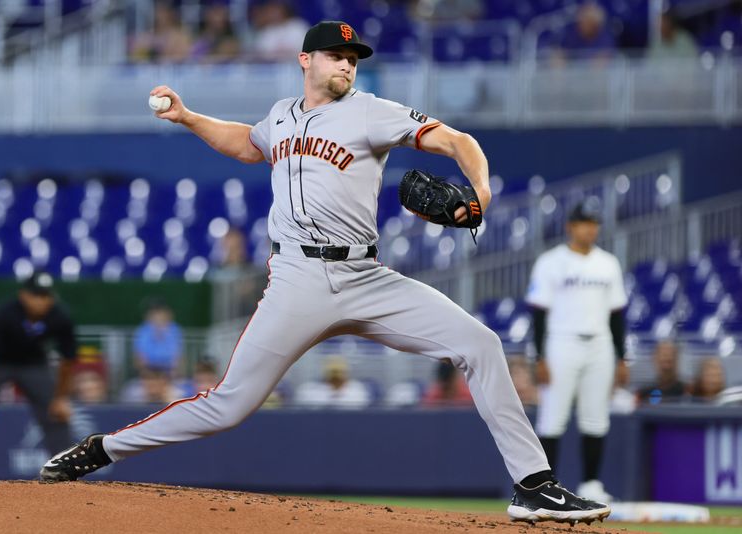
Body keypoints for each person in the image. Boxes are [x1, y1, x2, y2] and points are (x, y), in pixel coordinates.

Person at [41, 21, 610, 525]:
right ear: (305, 61)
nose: (347, 64)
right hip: (297, 280)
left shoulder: (370, 111)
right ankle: (103, 449)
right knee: (229, 404)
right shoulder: (282, 117)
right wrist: (188, 117)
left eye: (354, 58)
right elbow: (247, 143)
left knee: (480, 344)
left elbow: (457, 140)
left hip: (366, 277)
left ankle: (535, 486)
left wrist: (480, 188)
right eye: (337, 56)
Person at [526, 202, 628, 504]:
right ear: (570, 226)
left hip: (600, 342)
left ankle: (591, 484)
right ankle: (544, 486)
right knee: (552, 418)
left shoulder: (608, 263)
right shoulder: (550, 262)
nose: (590, 228)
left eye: (594, 223)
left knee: (596, 418)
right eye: (584, 222)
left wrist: (622, 357)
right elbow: (539, 315)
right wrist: (540, 357)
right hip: (561, 341)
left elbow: (617, 316)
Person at [0, 271, 75, 478]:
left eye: (46, 296)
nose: (41, 301)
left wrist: (61, 398)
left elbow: (68, 360)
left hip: (34, 365)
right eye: (36, 295)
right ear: (24, 295)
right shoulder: (4, 313)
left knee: (57, 414)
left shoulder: (59, 316)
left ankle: (64, 473)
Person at [294, 356, 371, 409]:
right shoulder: (309, 390)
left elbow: (359, 409)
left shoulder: (358, 390)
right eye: (333, 372)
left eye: (340, 372)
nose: (336, 378)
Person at [133, 299, 183, 375]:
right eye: (154, 312)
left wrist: (174, 372)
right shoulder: (143, 330)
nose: (158, 315)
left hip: (168, 369)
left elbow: (177, 355)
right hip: (150, 369)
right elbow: (140, 356)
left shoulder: (174, 329)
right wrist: (147, 372)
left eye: (160, 312)